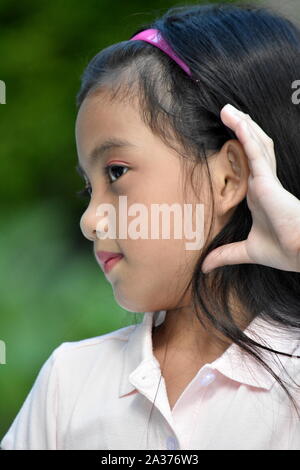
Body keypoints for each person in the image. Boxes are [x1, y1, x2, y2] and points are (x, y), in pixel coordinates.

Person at [1, 2, 300, 450]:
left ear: (229, 176)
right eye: (89, 187)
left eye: (117, 172)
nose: (89, 220)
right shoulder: (68, 383)